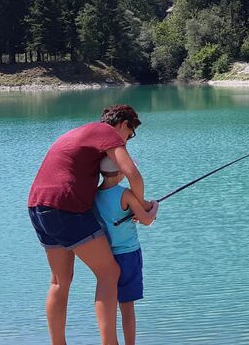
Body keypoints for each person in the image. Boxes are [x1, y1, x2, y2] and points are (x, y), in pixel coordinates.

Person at [28, 104, 154, 345]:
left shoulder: (82, 132)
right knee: (109, 272)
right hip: (66, 208)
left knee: (58, 280)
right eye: (128, 136)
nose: (125, 142)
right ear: (123, 124)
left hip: (38, 205)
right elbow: (133, 174)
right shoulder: (107, 133)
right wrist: (142, 205)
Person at [94, 156, 159, 345]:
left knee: (109, 304)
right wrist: (155, 206)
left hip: (105, 256)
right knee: (127, 307)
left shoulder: (94, 195)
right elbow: (147, 220)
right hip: (128, 255)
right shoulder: (126, 194)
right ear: (121, 173)